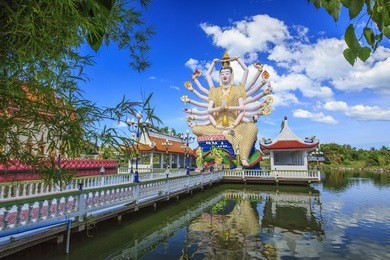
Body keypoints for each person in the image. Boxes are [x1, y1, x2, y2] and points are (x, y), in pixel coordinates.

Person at [190, 53, 258, 167]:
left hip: (235, 125)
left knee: (252, 127)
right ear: (219, 76)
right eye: (222, 73)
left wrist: (238, 59)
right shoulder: (214, 91)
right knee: (195, 129)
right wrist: (213, 63)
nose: (224, 75)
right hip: (217, 126)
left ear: (231, 75)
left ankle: (244, 157)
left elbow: (242, 109)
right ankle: (226, 133)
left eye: (227, 73)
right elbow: (209, 111)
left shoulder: (237, 89)